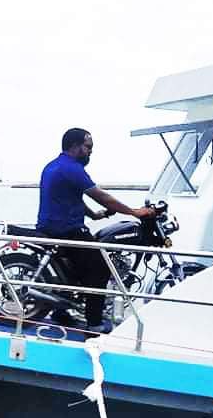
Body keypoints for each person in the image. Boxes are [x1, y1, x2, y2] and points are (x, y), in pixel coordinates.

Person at [36, 127, 154, 334]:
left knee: (74, 271)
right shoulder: (72, 168)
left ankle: (61, 311)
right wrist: (135, 212)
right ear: (75, 146)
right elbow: (101, 196)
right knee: (100, 268)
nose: (91, 151)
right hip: (66, 230)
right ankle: (93, 323)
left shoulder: (53, 166)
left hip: (51, 227)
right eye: (88, 147)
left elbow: (69, 198)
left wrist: (93, 215)